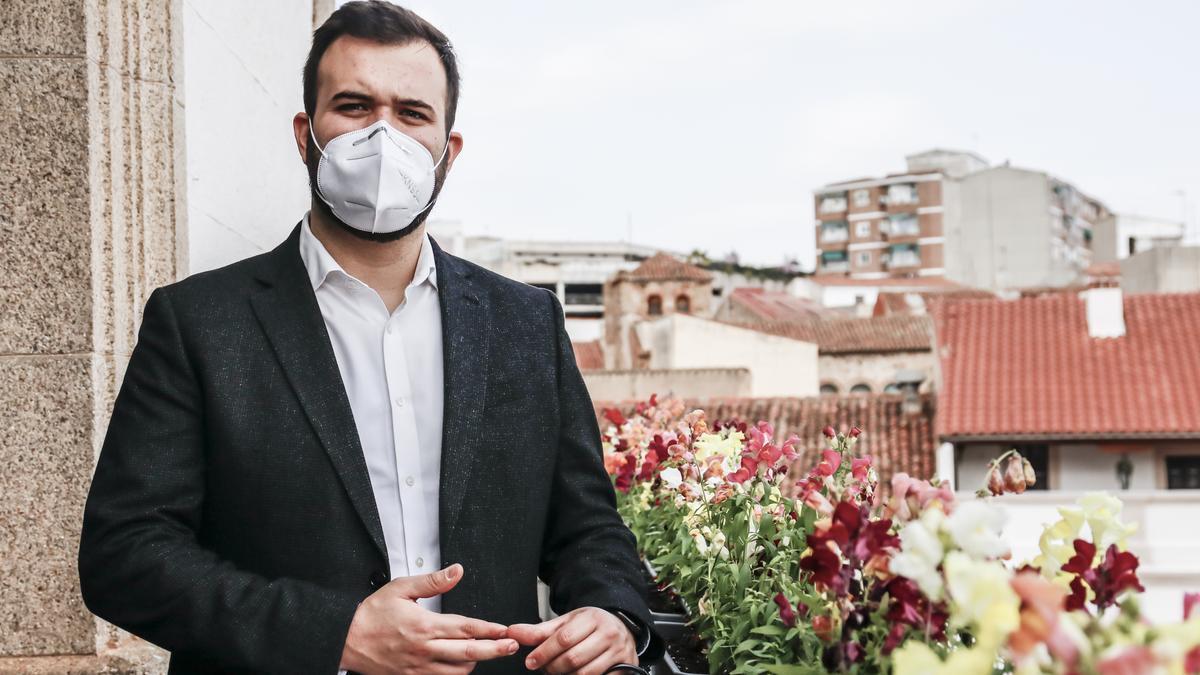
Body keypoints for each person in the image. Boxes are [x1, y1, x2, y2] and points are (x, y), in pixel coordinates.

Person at [77, 2, 664, 673]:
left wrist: (613, 613)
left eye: (412, 113)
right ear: (306, 134)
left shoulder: (525, 323)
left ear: (449, 149)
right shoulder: (199, 324)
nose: (383, 136)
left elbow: (588, 527)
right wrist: (334, 632)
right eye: (353, 106)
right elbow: (124, 552)